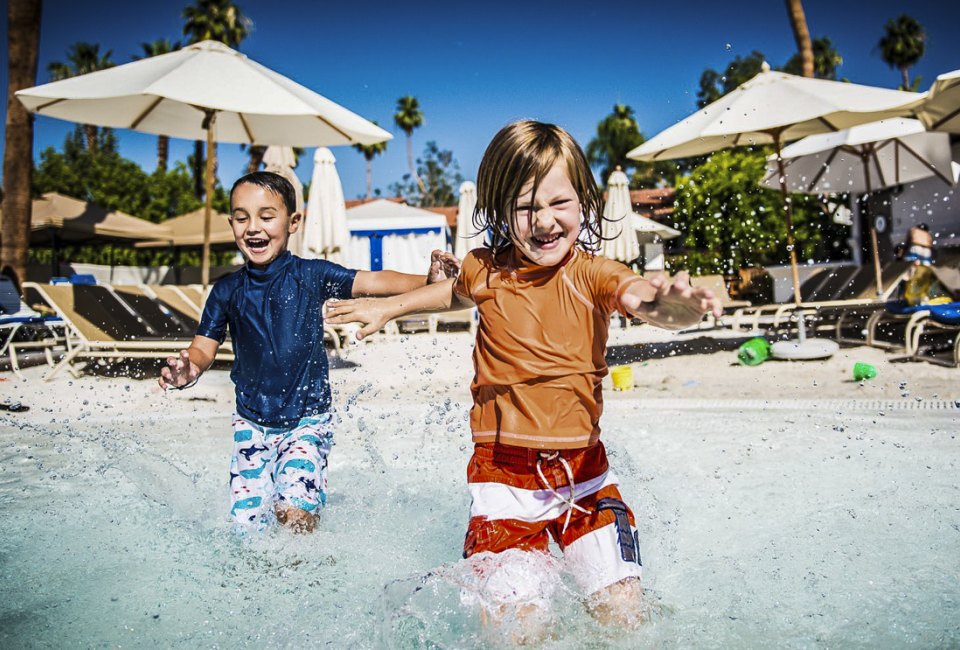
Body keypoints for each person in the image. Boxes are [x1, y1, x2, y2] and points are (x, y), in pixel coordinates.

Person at [326, 121, 722, 633]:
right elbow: (453, 292)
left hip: (586, 477)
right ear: (498, 212)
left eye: (560, 203)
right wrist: (390, 307)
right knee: (522, 630)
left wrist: (676, 308)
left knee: (625, 619)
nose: (544, 221)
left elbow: (643, 299)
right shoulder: (484, 269)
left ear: (585, 202)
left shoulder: (594, 274)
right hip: (502, 483)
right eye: (525, 206)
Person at [158, 171, 458, 533]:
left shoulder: (310, 275)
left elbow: (373, 281)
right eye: (242, 218)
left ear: (293, 222)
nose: (253, 228)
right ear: (232, 224)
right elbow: (203, 348)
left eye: (267, 217)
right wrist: (188, 370)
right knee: (246, 528)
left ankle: (305, 570)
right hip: (250, 424)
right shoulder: (226, 291)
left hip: (307, 420)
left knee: (295, 511)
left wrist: (426, 283)